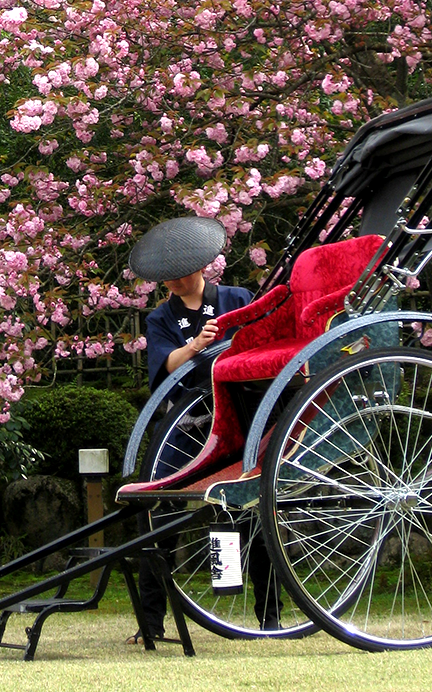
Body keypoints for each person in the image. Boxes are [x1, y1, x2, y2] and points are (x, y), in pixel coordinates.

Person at [126, 216, 276, 643]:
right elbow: (165, 367)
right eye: (167, 278)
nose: (176, 282)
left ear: (203, 265)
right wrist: (195, 346)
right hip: (186, 420)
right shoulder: (160, 318)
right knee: (158, 510)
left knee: (253, 510)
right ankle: (151, 623)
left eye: (182, 273)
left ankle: (269, 615)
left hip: (241, 417)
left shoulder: (236, 297)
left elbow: (261, 349)